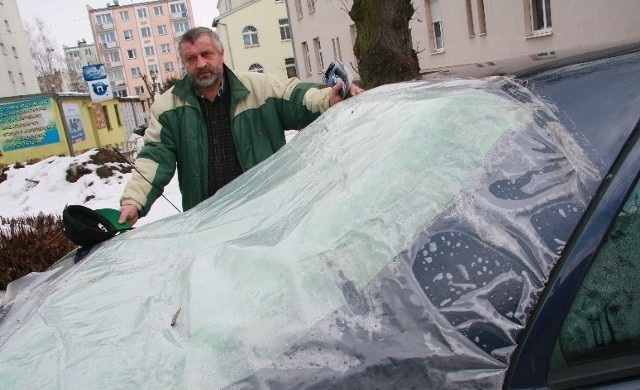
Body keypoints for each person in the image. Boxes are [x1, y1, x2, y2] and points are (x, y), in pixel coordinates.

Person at [118, 27, 363, 225]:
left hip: (267, 215)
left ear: (221, 54)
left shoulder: (259, 88)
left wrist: (327, 97)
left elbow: (297, 96)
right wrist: (134, 201)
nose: (201, 64)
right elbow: (153, 159)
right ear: (184, 63)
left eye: (207, 54)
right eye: (191, 58)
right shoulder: (167, 108)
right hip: (207, 223)